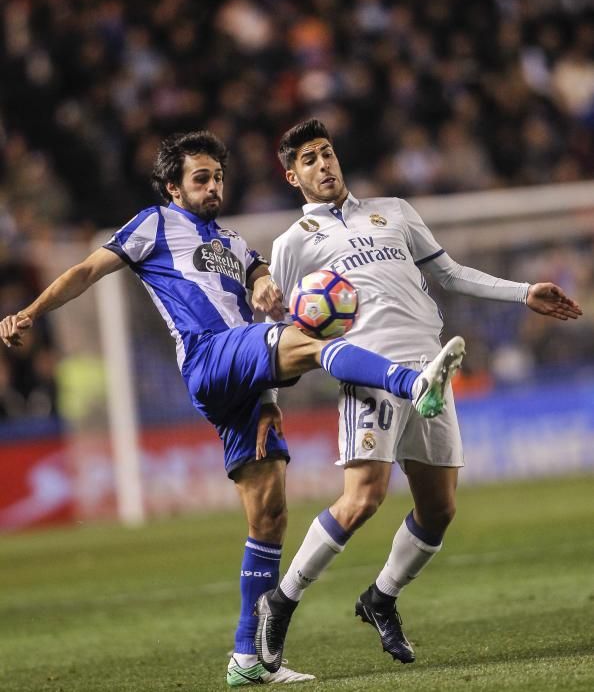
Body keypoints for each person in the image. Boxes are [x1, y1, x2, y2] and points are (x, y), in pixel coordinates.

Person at [0, 129, 467, 688]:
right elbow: (85, 272)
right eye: (201, 178)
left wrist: (267, 286)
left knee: (269, 513)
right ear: (174, 187)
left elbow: (260, 279)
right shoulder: (152, 223)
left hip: (245, 380)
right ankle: (412, 381)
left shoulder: (236, 243)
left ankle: (248, 658)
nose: (213, 186)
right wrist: (29, 311)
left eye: (218, 176)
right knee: (308, 340)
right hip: (210, 355)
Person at [253, 119, 583, 674]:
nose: (323, 164)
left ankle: (379, 597)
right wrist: (267, 399)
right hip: (368, 375)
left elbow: (449, 274)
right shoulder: (292, 245)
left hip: (431, 366)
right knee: (362, 499)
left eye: (327, 153)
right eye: (308, 160)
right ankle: (279, 603)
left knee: (439, 509)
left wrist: (524, 292)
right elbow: (281, 333)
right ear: (292, 176)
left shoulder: (395, 211)